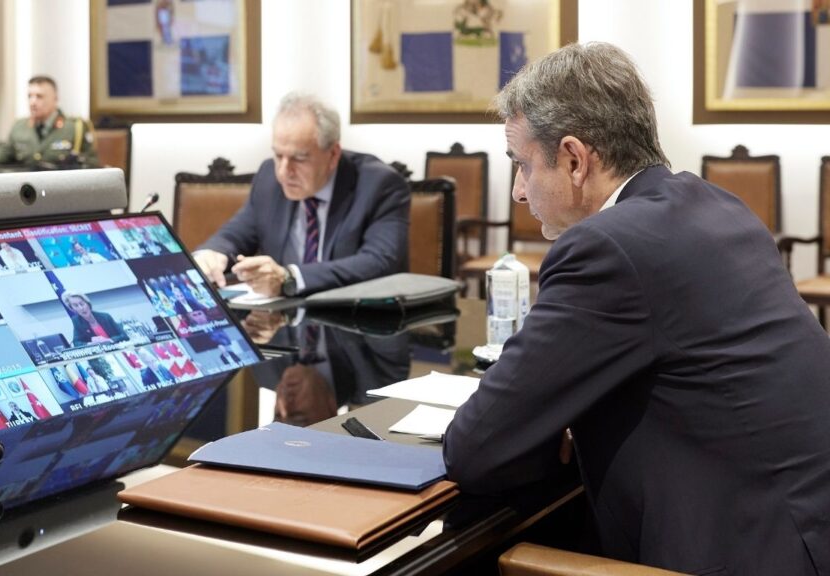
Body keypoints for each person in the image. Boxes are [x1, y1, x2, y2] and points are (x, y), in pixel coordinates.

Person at [443, 42, 830, 575]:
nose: (517, 192)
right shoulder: (716, 205)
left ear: (574, 160)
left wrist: (550, 425)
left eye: (523, 165)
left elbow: (476, 448)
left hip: (744, 551)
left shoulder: (607, 249)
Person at [194, 92, 410, 297]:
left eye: (299, 158)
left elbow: (379, 262)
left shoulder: (379, 185)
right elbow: (235, 235)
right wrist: (213, 254)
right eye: (278, 155)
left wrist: (290, 278)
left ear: (333, 154)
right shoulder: (269, 177)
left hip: (355, 317)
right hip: (283, 318)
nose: (284, 171)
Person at [0, 75, 99, 169]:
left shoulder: (75, 128)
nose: (32, 102)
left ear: (55, 99)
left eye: (39, 96)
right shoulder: (19, 127)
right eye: (30, 96)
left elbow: (91, 164)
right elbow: (6, 151)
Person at [61, 291, 128, 346]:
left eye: (82, 304)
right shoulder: (77, 321)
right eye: (76, 306)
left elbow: (124, 336)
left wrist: (109, 340)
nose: (81, 308)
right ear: (72, 309)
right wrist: (91, 344)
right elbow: (76, 343)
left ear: (88, 303)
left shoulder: (105, 317)